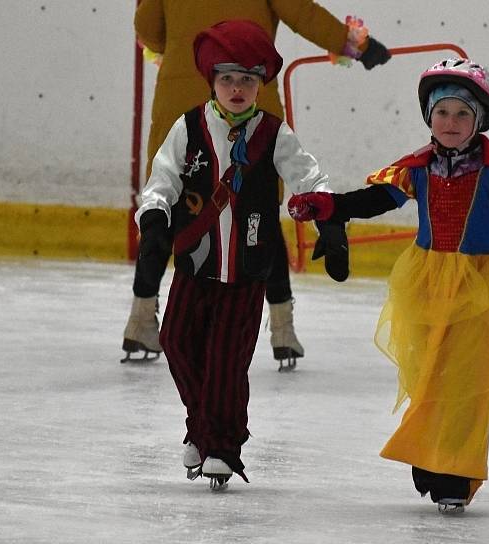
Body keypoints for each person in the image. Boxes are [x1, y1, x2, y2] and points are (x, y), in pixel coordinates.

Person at [288, 58, 489, 512]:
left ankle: (458, 473)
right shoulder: (419, 168)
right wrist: (329, 207)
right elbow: (374, 200)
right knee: (429, 375)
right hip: (426, 281)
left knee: (470, 380)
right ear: (429, 117)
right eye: (442, 112)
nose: (451, 123)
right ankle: (430, 451)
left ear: (479, 120)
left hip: (478, 286)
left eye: (462, 114)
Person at [124, 0, 391, 367]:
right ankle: (282, 330)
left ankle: (140, 321)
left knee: (166, 214)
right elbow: (302, 13)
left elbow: (149, 28)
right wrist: (355, 45)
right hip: (248, 99)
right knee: (258, 212)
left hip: (183, 95)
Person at [136, 19, 337, 488]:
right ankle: (202, 428)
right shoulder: (187, 128)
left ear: (260, 84)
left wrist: (328, 217)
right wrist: (152, 217)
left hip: (248, 271)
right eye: (228, 78)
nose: (238, 88)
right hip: (195, 265)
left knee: (228, 361)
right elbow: (161, 180)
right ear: (212, 81)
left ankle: (222, 447)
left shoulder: (273, 134)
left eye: (248, 79)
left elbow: (309, 177)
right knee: (176, 343)